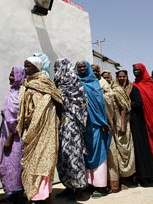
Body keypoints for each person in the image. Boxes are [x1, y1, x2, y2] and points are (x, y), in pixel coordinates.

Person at [17, 56, 62, 203]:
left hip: (46, 130)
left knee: (45, 161)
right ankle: (34, 194)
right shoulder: (26, 84)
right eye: (24, 66)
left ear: (37, 67)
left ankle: (44, 196)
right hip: (31, 130)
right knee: (32, 162)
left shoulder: (46, 83)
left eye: (28, 66)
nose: (25, 69)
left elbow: (58, 101)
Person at [93, 64, 134, 192]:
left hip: (118, 124)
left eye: (108, 77)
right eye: (105, 77)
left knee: (122, 152)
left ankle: (124, 180)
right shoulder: (106, 87)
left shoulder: (115, 90)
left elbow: (124, 108)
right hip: (109, 123)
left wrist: (122, 125)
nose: (107, 79)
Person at [53, 58, 88, 201]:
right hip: (60, 123)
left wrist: (64, 102)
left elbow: (81, 101)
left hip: (72, 123)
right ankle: (68, 186)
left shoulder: (74, 81)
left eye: (57, 68)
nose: (55, 71)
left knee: (73, 154)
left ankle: (78, 188)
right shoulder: (56, 82)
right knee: (62, 156)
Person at [75, 61, 111, 197]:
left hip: (97, 124)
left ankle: (100, 186)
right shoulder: (76, 83)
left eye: (84, 66)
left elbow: (100, 104)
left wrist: (103, 122)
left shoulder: (95, 83)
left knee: (99, 152)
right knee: (86, 154)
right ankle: (89, 183)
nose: (82, 69)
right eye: (79, 67)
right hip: (83, 125)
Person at [116, 70, 153, 187]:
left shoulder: (132, 88)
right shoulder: (116, 90)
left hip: (136, 122)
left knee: (140, 149)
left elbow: (139, 103)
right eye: (119, 77)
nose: (122, 78)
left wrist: (126, 105)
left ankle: (145, 176)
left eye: (123, 76)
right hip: (123, 124)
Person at [0, 66, 25, 204]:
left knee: (15, 165)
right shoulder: (11, 92)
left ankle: (18, 197)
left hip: (15, 136)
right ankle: (12, 195)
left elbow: (20, 118)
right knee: (5, 165)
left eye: (13, 75)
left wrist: (10, 137)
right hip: (5, 132)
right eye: (10, 75)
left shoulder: (21, 94)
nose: (10, 78)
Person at [132, 64, 153, 171]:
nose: (135, 71)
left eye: (137, 69)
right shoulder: (133, 85)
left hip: (152, 115)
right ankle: (150, 166)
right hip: (140, 117)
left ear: (143, 70)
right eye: (134, 70)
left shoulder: (150, 84)